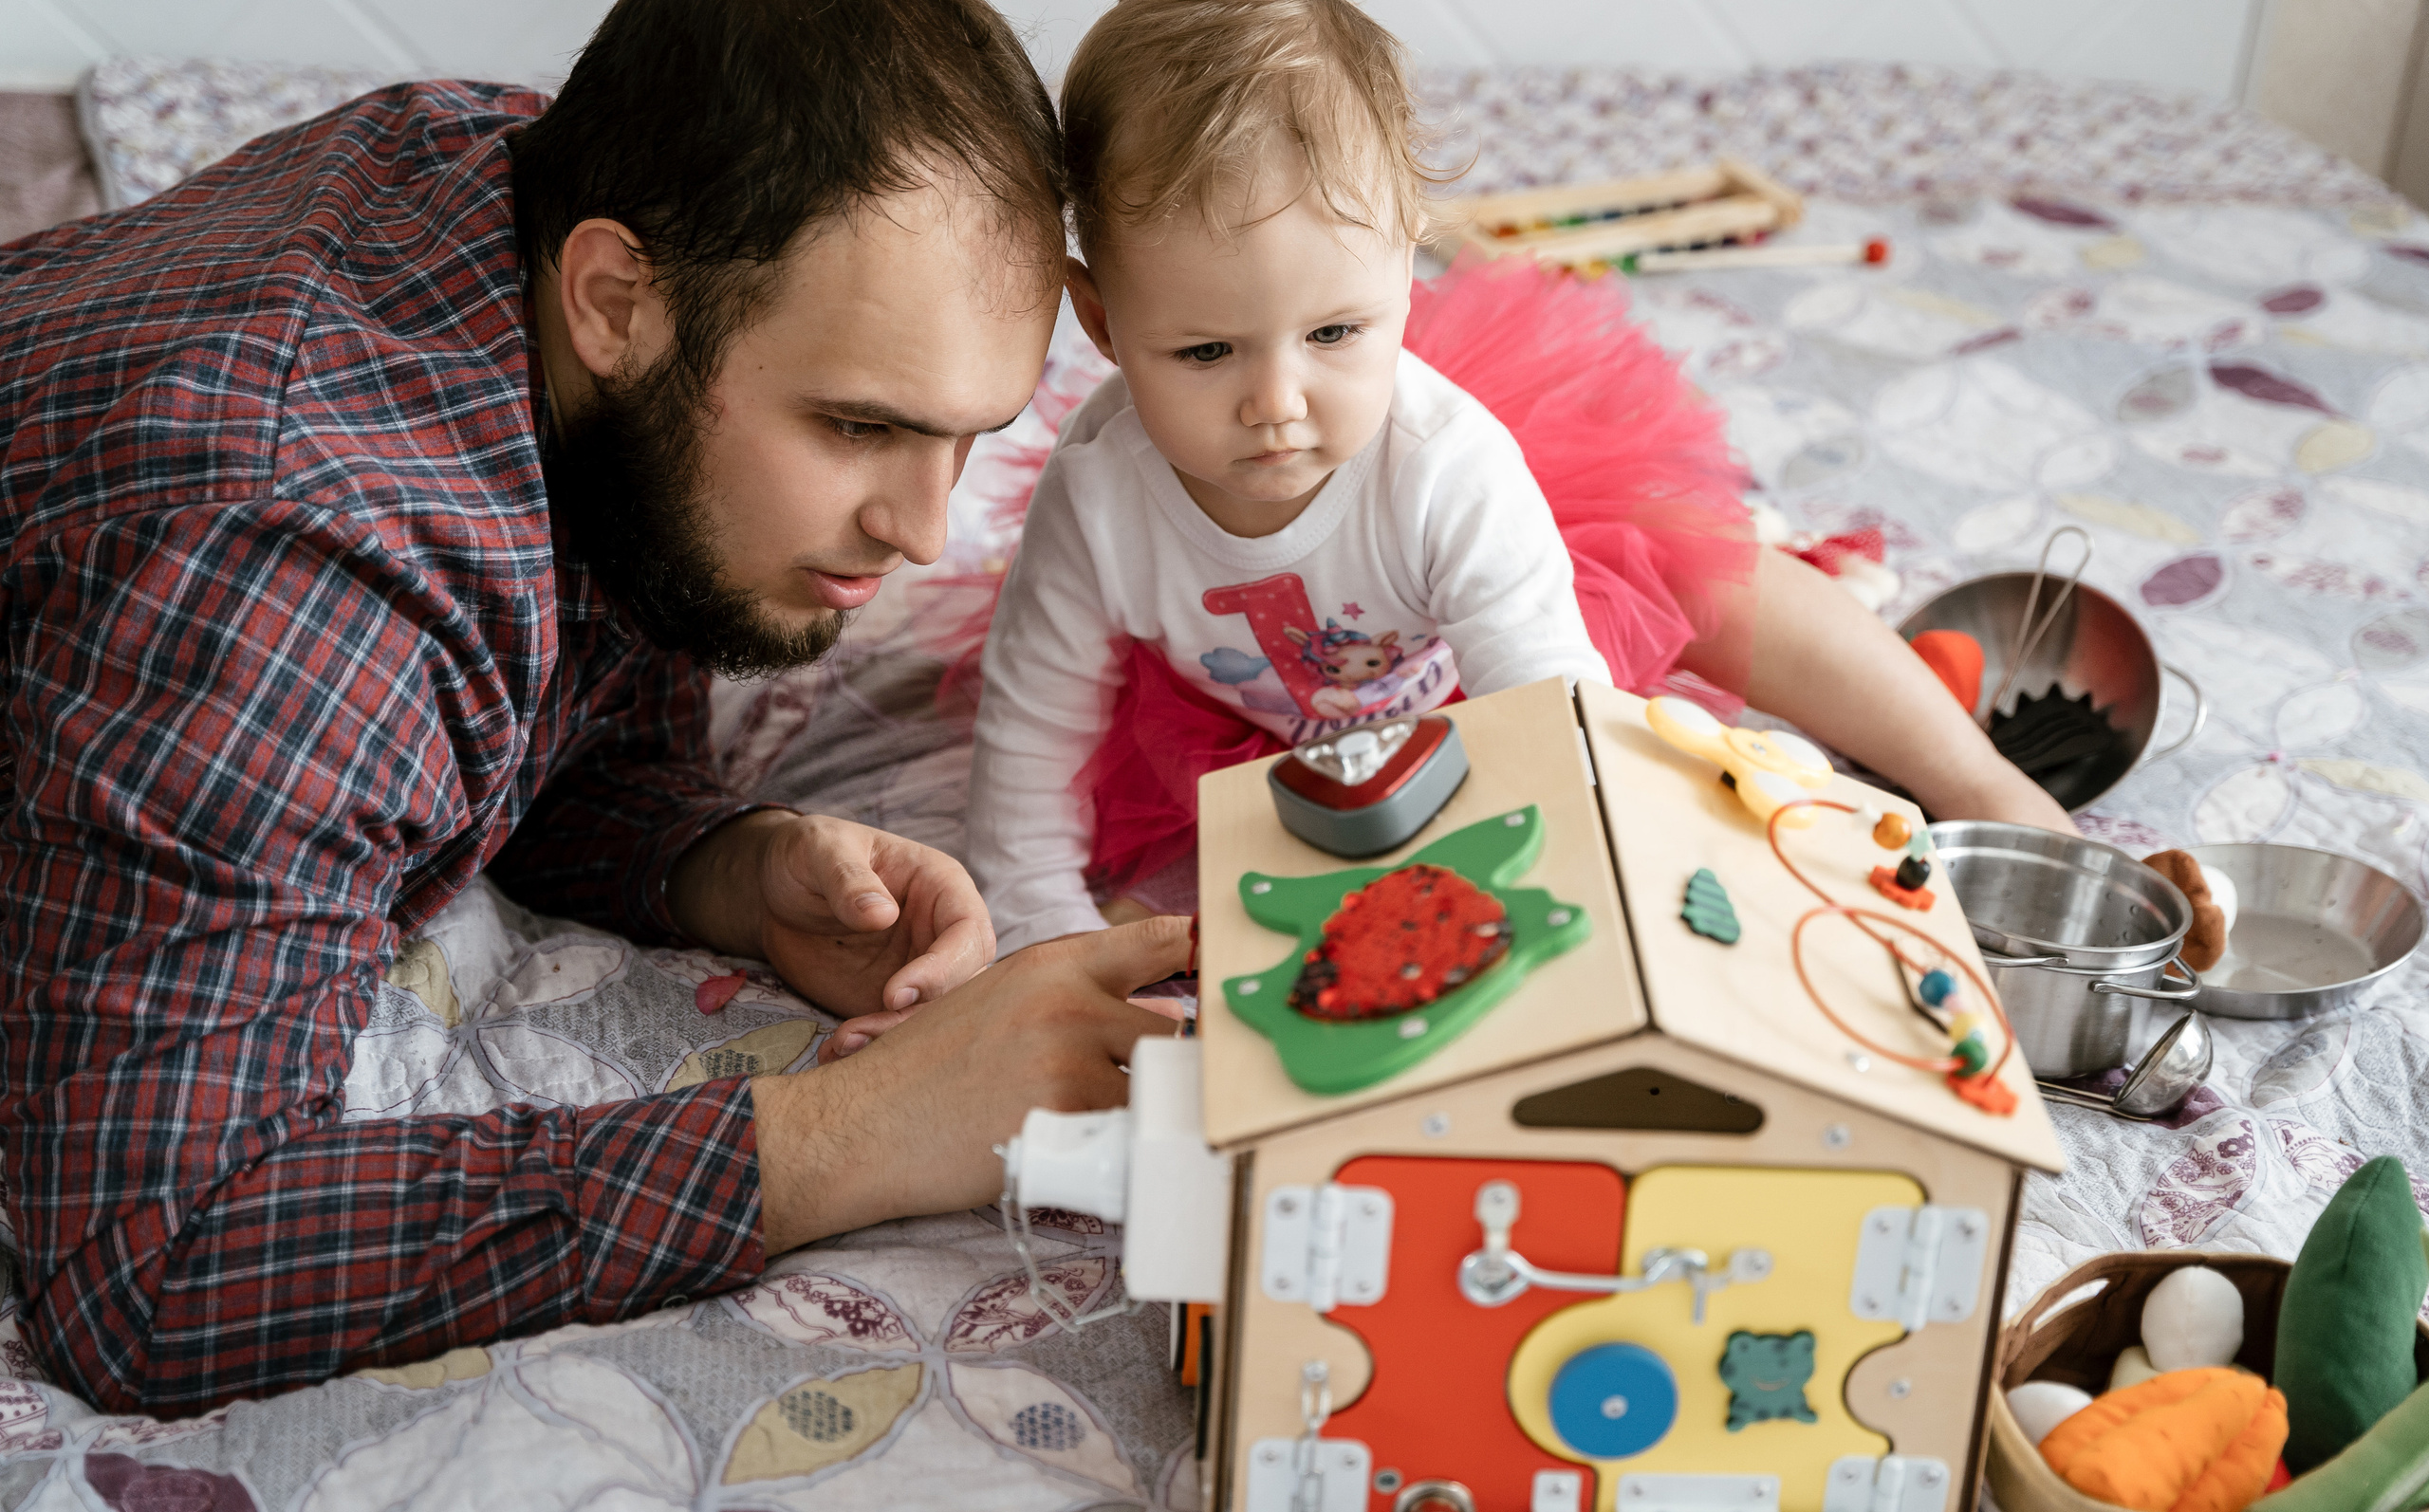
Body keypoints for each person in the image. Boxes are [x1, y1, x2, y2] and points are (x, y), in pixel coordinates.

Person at [0, 0, 1188, 1418]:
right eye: (860, 426)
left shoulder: (525, 178)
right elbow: (151, 1264)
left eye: (969, 436)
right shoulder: (290, 581)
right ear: (615, 299)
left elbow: (502, 716)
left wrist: (720, 863)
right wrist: (859, 1130)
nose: (925, 528)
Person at [965, 0, 2074, 953]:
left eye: (1339, 331)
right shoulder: (1100, 497)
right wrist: (1039, 937)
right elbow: (1028, 744)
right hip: (1266, 712)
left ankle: (1972, 774)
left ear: (1405, 268)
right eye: (1205, 353)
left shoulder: (1444, 466)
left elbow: (1559, 722)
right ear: (1102, 320)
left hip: (1510, 651)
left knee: (1700, 575)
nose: (1278, 403)